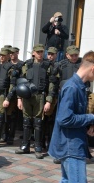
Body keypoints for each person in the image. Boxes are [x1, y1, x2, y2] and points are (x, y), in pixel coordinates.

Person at [49, 51, 94, 183]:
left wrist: (88, 125)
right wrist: (91, 117)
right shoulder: (72, 87)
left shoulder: (79, 86)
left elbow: (75, 115)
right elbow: (64, 119)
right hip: (71, 146)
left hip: (73, 143)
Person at [15, 44, 56, 159]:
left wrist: (49, 101)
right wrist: (19, 98)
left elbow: (52, 84)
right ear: (33, 53)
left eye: (42, 52)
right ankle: (25, 146)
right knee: (26, 121)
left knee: (38, 122)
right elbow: (20, 82)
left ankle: (38, 147)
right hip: (27, 96)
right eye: (38, 52)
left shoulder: (48, 66)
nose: (40, 54)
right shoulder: (27, 65)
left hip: (40, 96)